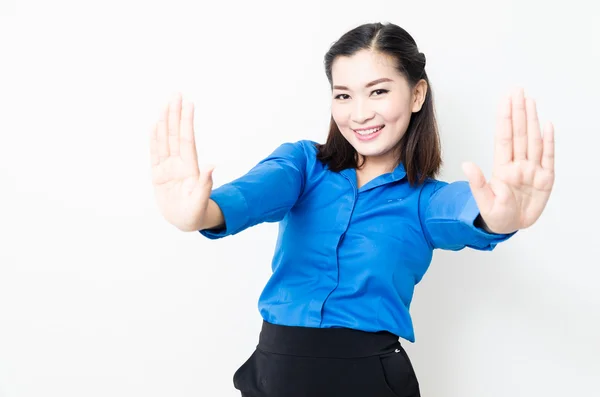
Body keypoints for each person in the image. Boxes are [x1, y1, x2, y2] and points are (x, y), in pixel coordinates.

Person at [149, 22, 555, 397]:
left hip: (366, 380)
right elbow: (254, 193)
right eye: (343, 95)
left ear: (416, 94)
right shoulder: (302, 165)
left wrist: (497, 218)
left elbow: (463, 208)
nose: (358, 113)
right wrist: (202, 213)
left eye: (378, 91)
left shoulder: (424, 200)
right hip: (274, 372)